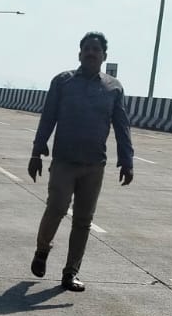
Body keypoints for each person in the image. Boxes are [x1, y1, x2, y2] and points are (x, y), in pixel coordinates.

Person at [27, 31, 135, 292]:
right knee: (56, 208)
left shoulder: (113, 88)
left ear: (104, 56)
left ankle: (71, 272)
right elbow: (48, 118)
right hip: (64, 161)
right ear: (79, 54)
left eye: (96, 50)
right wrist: (36, 152)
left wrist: (127, 160)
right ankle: (42, 249)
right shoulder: (62, 82)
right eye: (87, 48)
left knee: (83, 220)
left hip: (94, 165)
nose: (91, 53)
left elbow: (122, 125)